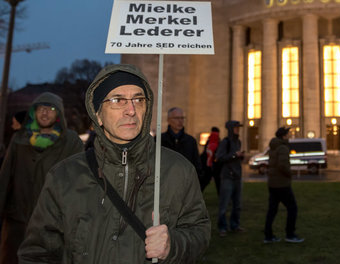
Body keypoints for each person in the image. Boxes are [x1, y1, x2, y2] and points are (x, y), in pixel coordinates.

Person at [18, 64, 210, 263]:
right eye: (118, 100)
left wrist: (173, 245)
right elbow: (37, 253)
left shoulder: (178, 170)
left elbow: (199, 231)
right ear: (98, 114)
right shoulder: (64, 176)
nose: (131, 110)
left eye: (139, 99)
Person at [0, 92, 84, 264]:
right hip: (17, 223)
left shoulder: (71, 142)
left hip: (54, 227)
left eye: (51, 109)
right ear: (33, 112)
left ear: (59, 113)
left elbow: (80, 183)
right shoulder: (19, 139)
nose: (45, 113)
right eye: (40, 109)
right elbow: (4, 178)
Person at [264, 127, 304, 244]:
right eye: (288, 134)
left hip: (272, 183)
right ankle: (290, 234)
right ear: (283, 136)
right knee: (292, 208)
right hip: (282, 183)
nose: (289, 136)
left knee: (272, 210)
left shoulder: (273, 147)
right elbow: (282, 165)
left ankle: (268, 235)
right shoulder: (282, 148)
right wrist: (289, 174)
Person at [216, 120, 245, 237]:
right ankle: (222, 227)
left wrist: (240, 156)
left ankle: (235, 225)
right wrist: (234, 155)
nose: (238, 129)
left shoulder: (238, 142)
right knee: (224, 204)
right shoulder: (225, 142)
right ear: (230, 129)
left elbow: (236, 159)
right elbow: (219, 157)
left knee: (237, 204)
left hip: (237, 176)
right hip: (227, 177)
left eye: (238, 127)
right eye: (236, 127)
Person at [161, 107, 202, 185]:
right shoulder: (160, 140)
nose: (180, 121)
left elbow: (196, 164)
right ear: (169, 120)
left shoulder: (190, 141)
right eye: (176, 118)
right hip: (165, 184)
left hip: (185, 184)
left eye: (182, 118)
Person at [199, 126, 221, 194]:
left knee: (205, 181)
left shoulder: (210, 140)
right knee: (217, 182)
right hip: (213, 165)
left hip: (209, 165)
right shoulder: (217, 140)